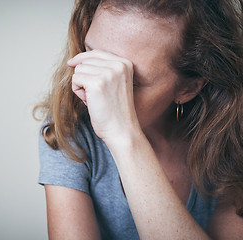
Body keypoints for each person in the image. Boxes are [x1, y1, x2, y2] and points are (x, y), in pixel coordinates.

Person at [34, 0, 243, 239]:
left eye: (128, 80)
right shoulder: (69, 127)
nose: (90, 88)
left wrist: (123, 136)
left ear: (188, 88)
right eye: (91, 56)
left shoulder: (231, 134)